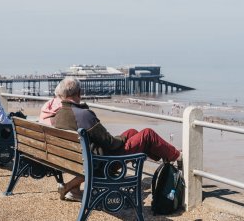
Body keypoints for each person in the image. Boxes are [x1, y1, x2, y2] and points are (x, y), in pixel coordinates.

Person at [53, 76, 182, 202]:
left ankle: (163, 155)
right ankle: (176, 156)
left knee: (132, 132)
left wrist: (124, 137)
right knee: (147, 134)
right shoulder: (83, 115)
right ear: (79, 93)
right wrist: (122, 138)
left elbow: (103, 141)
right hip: (103, 163)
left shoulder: (58, 115)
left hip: (78, 160)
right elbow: (110, 143)